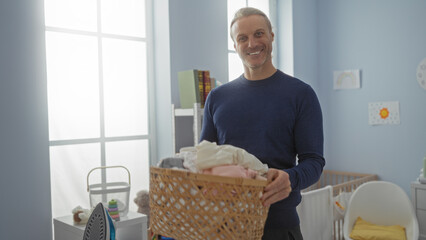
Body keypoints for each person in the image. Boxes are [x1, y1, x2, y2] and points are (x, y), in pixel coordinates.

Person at [199, 7, 325, 240]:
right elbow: (203, 161)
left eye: (259, 34)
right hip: (224, 227)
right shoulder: (216, 98)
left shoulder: (301, 94)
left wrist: (291, 178)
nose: (252, 44)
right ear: (235, 45)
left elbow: (314, 162)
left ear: (271, 36)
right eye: (242, 38)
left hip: (279, 227)